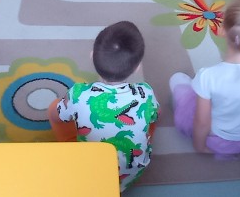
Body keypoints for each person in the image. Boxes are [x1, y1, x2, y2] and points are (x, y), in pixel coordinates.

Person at [48, 21, 159, 191]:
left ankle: (66, 142)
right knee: (152, 116)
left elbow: (57, 115)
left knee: (55, 108)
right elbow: (156, 115)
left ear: (92, 55)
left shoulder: (78, 94)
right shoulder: (146, 92)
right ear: (137, 68)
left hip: (88, 169)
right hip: (132, 172)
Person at [168, 0, 240, 158]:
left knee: (177, 79)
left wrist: (200, 147)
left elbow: (202, 122)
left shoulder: (208, 76)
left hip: (213, 141)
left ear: (222, 30)